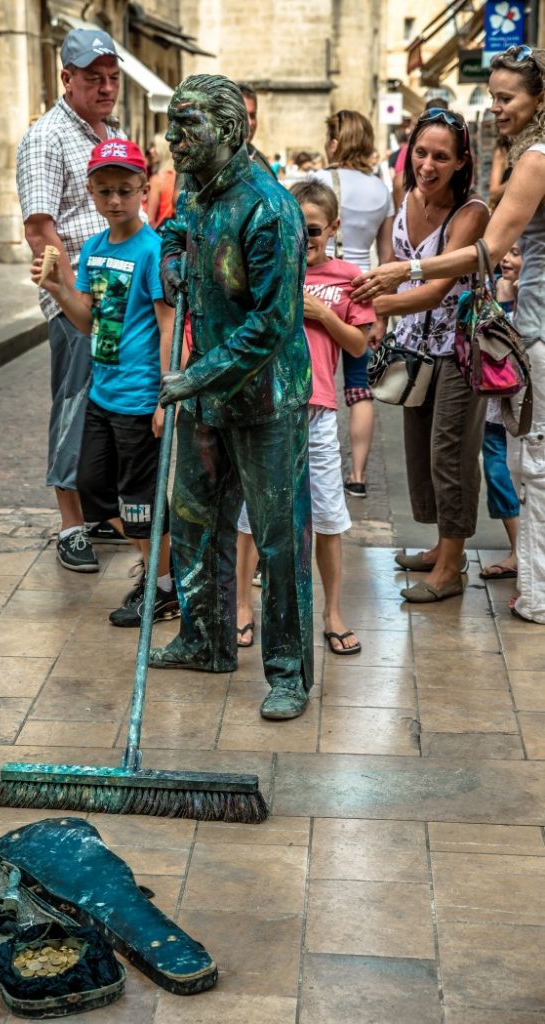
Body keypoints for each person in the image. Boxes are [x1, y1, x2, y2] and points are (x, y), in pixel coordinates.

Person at [356, 46, 545, 622]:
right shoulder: (517, 157)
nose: (495, 107)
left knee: (510, 463)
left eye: (505, 97)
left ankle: (509, 583)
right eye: (492, 95)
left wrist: (399, 275)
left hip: (469, 343)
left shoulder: (532, 160)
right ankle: (452, 553)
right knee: (461, 458)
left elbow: (483, 254)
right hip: (434, 345)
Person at [152, 74, 314, 721]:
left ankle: (288, 672)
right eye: (172, 125)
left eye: (185, 125)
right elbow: (173, 229)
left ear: (229, 130)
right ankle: (205, 637)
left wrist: (193, 378)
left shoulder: (269, 211)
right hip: (209, 393)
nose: (172, 139)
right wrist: (169, 260)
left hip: (265, 397)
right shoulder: (196, 187)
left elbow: (272, 325)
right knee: (192, 519)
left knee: (276, 542)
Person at [31, 139, 178, 627]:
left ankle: (162, 585)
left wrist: (164, 395)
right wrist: (57, 289)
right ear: (91, 193)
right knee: (94, 487)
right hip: (102, 392)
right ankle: (165, 562)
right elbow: (88, 322)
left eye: (125, 190)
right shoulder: (93, 250)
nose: (115, 200)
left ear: (143, 189)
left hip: (139, 398)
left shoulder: (154, 251)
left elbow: (166, 325)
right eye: (105, 191)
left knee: (138, 499)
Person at [353, 107, 490, 601]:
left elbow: (435, 290)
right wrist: (382, 320)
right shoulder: (406, 195)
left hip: (458, 348)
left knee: (449, 454)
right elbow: (392, 258)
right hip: (414, 348)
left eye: (441, 156)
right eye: (421, 153)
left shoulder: (471, 213)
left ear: (461, 162)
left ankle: (452, 567)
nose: (427, 165)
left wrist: (377, 300)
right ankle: (440, 546)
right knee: (421, 452)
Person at [17, 27, 125, 572]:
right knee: (76, 403)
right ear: (67, 78)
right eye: (93, 78)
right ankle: (69, 526)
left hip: (120, 291)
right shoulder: (48, 137)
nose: (105, 87)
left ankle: (102, 511)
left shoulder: (110, 130)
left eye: (112, 77)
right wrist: (76, 298)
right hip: (80, 296)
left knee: (113, 404)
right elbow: (41, 229)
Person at [291, 179, 375, 652]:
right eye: (297, 231)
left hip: (319, 409)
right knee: (249, 514)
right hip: (271, 408)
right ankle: (243, 604)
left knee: (327, 514)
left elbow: (359, 345)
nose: (306, 241)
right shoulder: (273, 270)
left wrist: (323, 316)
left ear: (334, 227)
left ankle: (333, 610)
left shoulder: (348, 278)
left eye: (315, 231)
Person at [311, 110, 394, 498]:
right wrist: (382, 312)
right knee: (359, 388)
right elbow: (388, 255)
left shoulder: (317, 182)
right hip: (363, 288)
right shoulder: (381, 191)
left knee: (313, 379)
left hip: (324, 284)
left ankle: (310, 458)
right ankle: (357, 476)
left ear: (335, 141)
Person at [480, 243, 522, 581]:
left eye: (517, 253)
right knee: (497, 475)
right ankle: (517, 549)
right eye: (505, 252)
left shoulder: (532, 298)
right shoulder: (492, 289)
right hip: (495, 408)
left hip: (523, 411)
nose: (506, 259)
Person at [237, 83, 274, 175]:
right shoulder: (216, 165)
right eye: (243, 115)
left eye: (253, 116)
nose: (250, 123)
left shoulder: (261, 159)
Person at [146, 134, 176, 231]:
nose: (151, 151)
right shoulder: (180, 176)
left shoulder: (157, 180)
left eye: (155, 147)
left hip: (161, 235)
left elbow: (150, 220)